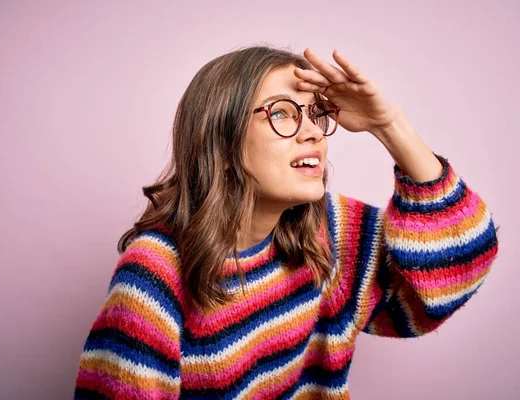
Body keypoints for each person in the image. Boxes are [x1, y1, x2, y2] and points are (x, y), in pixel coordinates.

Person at [73, 46, 499, 399]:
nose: (312, 131)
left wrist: (390, 126)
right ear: (221, 141)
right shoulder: (155, 279)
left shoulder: (326, 232)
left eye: (316, 113)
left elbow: (458, 269)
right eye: (282, 113)